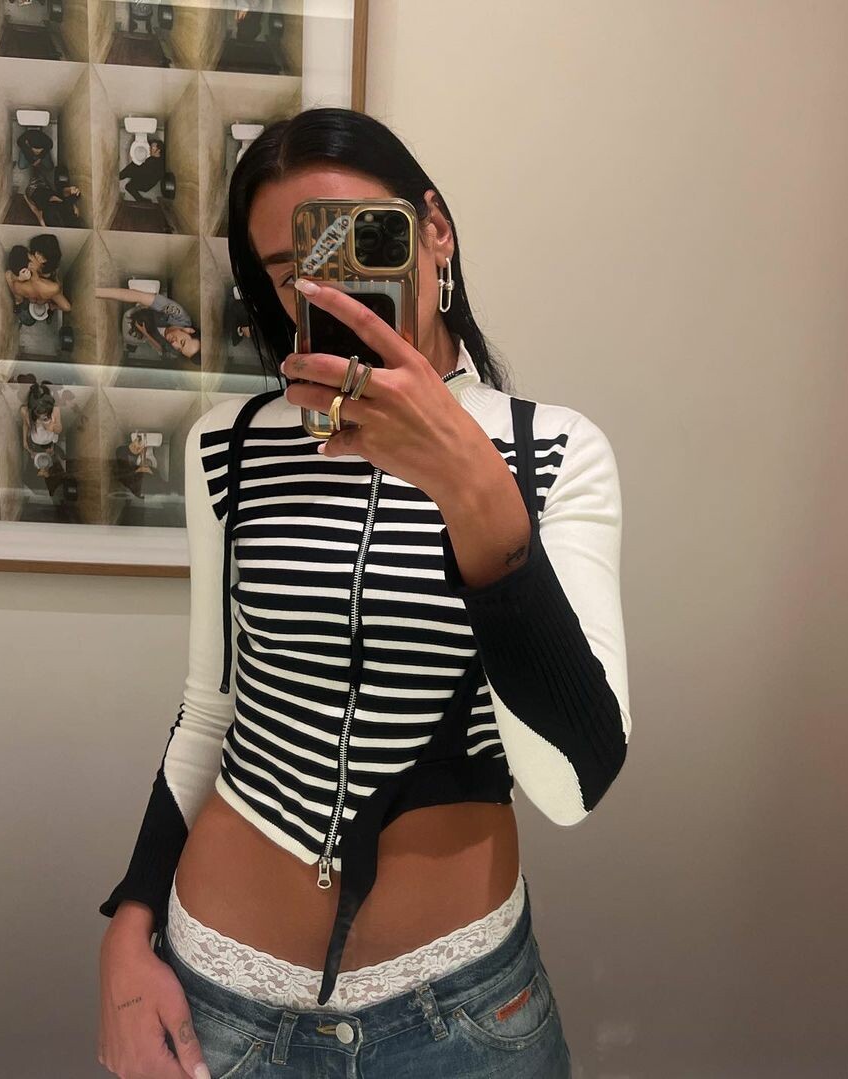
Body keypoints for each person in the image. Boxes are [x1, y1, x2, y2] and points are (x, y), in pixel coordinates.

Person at [97, 106, 631, 1079]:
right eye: (290, 269)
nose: (328, 289)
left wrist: (473, 491)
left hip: (464, 1012)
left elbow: (571, 788)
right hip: (219, 992)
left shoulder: (552, 451)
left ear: (435, 232)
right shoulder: (229, 444)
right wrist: (129, 929)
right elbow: (211, 709)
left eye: (360, 244)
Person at [96, 286, 201, 363]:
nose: (174, 344)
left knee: (132, 338)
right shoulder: (177, 313)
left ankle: (132, 343)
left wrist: (145, 334)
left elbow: (161, 348)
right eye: (182, 342)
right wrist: (96, 292)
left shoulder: (175, 351)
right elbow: (139, 296)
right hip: (147, 315)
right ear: (189, 330)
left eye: (179, 349)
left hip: (148, 333)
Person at [119, 137, 165, 202]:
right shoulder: (160, 159)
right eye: (150, 147)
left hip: (145, 185)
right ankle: (142, 200)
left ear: (158, 150)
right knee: (133, 168)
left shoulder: (151, 162)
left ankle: (119, 176)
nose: (149, 149)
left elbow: (140, 171)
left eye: (152, 148)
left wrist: (132, 169)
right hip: (149, 181)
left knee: (129, 183)